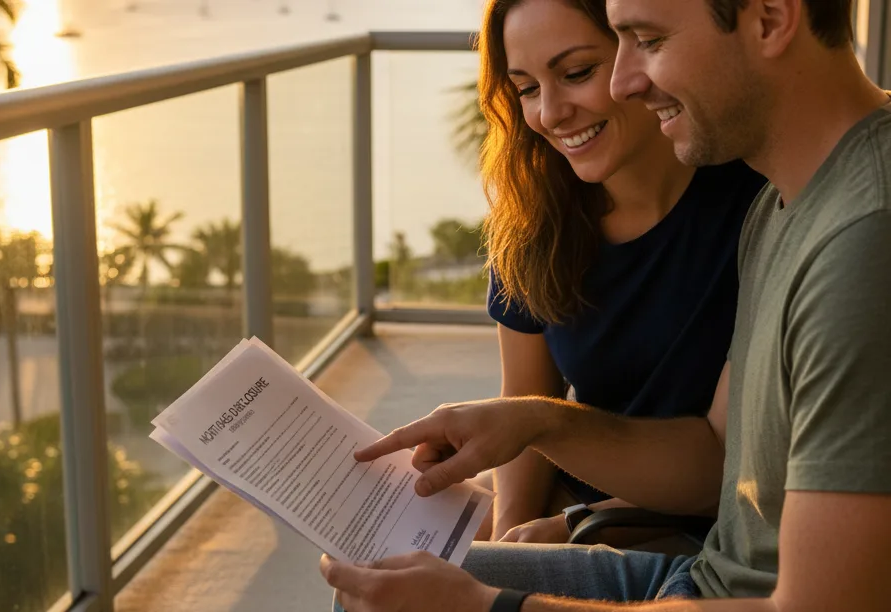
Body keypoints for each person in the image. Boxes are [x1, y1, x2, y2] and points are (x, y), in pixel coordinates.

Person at [320, 0, 891, 610]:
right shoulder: (781, 204)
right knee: (370, 580)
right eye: (526, 88)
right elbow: (719, 459)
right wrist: (533, 426)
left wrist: (489, 604)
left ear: (771, 19)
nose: (626, 81)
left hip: (702, 571)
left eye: (648, 40)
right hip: (702, 568)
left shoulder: (857, 238)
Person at [471, 0, 764, 544]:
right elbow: (523, 404)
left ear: (644, 54)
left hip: (699, 528)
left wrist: (574, 526)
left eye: (577, 72)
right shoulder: (534, 218)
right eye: (527, 89)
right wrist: (506, 545)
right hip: (574, 509)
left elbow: (728, 466)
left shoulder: (756, 205)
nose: (550, 114)